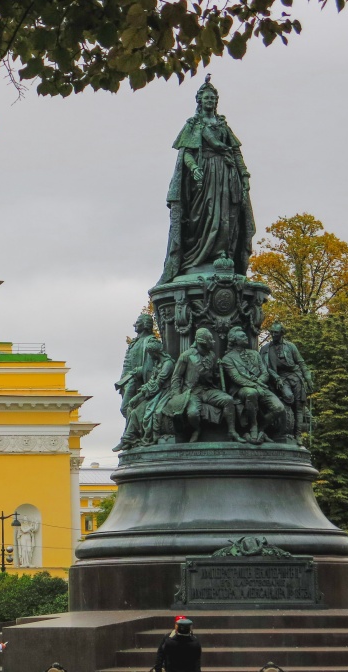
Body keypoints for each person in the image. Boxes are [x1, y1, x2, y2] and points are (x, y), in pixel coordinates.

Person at [160, 74, 255, 284]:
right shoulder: (194, 124)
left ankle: (223, 253)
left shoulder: (222, 125)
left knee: (227, 217)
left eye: (213, 98)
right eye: (207, 98)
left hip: (226, 174)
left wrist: (245, 175)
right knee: (203, 214)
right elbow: (186, 152)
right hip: (204, 175)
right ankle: (196, 258)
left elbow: (236, 152)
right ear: (200, 101)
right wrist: (194, 168)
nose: (210, 101)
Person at [168, 327, 243, 443]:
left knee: (228, 400)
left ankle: (232, 431)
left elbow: (214, 376)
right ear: (202, 342)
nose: (213, 342)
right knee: (193, 413)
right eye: (210, 340)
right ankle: (196, 429)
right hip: (192, 392)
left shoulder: (212, 355)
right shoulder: (186, 355)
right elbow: (176, 377)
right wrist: (177, 396)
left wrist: (219, 372)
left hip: (208, 390)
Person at [221, 327, 286, 443]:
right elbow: (237, 378)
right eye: (242, 336)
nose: (246, 337)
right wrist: (255, 386)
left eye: (245, 335)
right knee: (251, 393)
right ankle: (253, 426)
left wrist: (259, 382)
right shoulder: (228, 358)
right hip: (241, 389)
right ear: (235, 340)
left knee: (279, 408)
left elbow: (265, 372)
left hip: (261, 386)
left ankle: (262, 428)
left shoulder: (255, 354)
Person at [261, 322, 314, 441]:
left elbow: (301, 363)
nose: (273, 334)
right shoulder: (265, 349)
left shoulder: (290, 346)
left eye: (276, 332)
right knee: (289, 396)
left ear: (282, 333)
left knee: (298, 406)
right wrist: (276, 378)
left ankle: (298, 435)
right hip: (279, 378)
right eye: (271, 332)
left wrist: (308, 378)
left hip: (295, 376)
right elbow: (265, 368)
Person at [114, 314, 157, 450]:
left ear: (145, 324)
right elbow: (126, 363)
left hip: (141, 381)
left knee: (126, 408)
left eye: (137, 322)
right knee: (127, 408)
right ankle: (133, 435)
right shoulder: (134, 343)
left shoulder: (151, 341)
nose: (135, 325)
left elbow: (153, 366)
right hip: (129, 380)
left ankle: (132, 435)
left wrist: (141, 370)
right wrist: (123, 381)